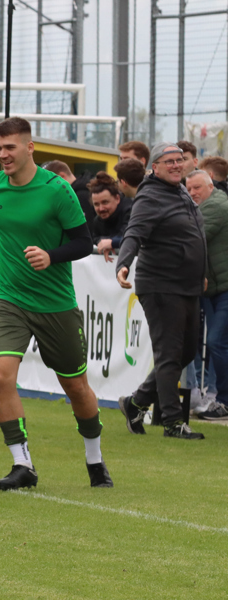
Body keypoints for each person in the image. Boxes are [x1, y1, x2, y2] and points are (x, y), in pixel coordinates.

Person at [0, 117, 112, 490]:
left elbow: (83, 242)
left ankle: (95, 460)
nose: (3, 154)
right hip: (9, 298)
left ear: (29, 147)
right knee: (0, 377)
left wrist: (51, 256)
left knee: (77, 387)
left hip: (55, 303)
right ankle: (23, 465)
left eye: (10, 147)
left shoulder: (57, 190)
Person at [115, 143, 207, 440]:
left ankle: (137, 402)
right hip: (161, 285)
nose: (176, 165)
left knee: (186, 351)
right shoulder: (150, 196)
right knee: (169, 354)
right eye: (169, 161)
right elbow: (134, 233)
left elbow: (193, 234)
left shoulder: (179, 190)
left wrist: (202, 272)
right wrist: (123, 263)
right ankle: (172, 422)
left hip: (187, 285)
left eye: (179, 160)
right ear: (154, 167)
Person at [184, 169, 228, 419]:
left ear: (211, 186)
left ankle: (224, 400)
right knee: (216, 343)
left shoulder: (215, 207)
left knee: (216, 342)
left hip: (223, 288)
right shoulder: (205, 206)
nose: (192, 193)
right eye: (189, 189)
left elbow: (192, 238)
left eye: (197, 188)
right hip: (214, 288)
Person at [87, 172, 133, 262]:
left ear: (117, 199)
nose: (101, 208)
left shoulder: (131, 212)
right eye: (96, 204)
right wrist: (104, 243)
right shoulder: (97, 221)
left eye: (105, 202)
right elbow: (95, 238)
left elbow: (129, 238)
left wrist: (112, 243)